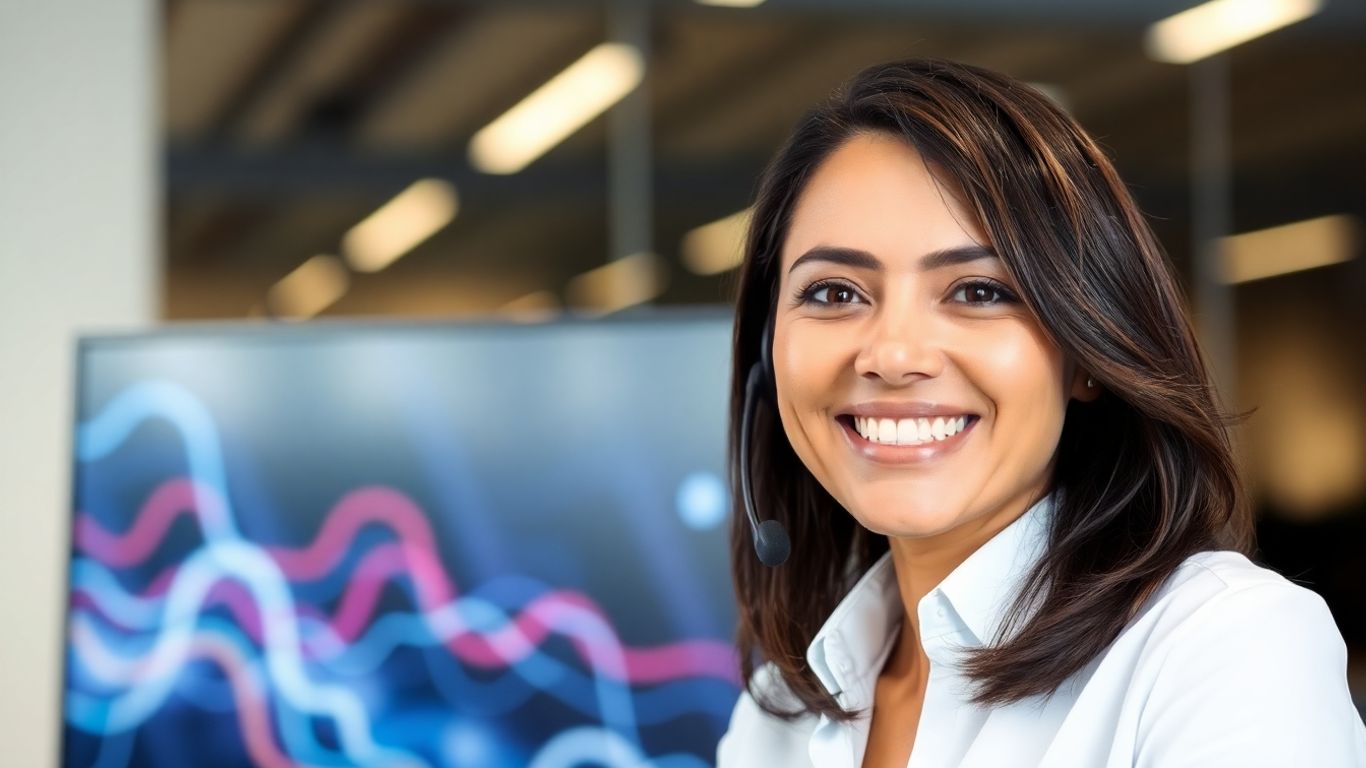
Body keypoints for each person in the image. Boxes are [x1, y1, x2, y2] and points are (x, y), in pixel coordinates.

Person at [717, 58, 1366, 767]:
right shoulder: (781, 703)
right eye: (836, 293)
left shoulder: (1224, 646)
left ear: (1086, 350)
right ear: (766, 355)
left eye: (978, 291)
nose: (894, 355)